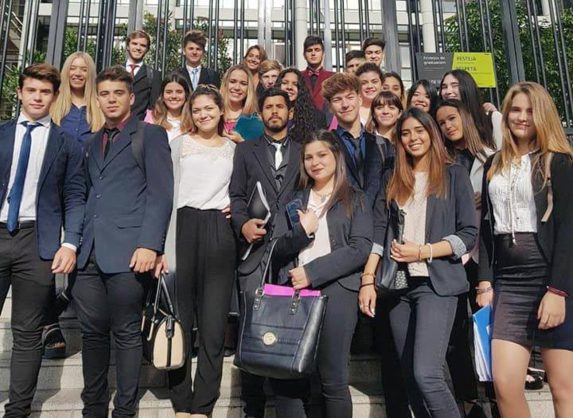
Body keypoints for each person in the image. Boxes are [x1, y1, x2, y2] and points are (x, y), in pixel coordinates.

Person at [360, 107, 478, 418]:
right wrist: (368, 279)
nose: (413, 138)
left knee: (427, 374)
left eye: (419, 130)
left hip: (437, 284)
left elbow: (468, 235)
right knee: (410, 377)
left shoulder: (454, 174)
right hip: (397, 286)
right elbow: (379, 231)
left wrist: (424, 251)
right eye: (405, 133)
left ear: (431, 133)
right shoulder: (392, 176)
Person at [73, 65, 173, 418]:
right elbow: (87, 195)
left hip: (130, 253)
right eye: (105, 94)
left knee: (128, 332)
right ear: (97, 99)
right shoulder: (90, 141)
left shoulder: (150, 135)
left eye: (118, 93)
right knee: (92, 335)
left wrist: (150, 244)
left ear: (132, 98)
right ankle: (93, 408)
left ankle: (125, 410)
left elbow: (161, 194)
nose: (111, 99)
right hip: (88, 254)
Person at [476, 82, 573, 418]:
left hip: (551, 278)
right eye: (515, 110)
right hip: (508, 281)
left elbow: (568, 228)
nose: (521, 117)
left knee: (563, 388)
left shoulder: (559, 162)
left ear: (543, 115)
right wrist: (484, 281)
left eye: (530, 111)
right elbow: (487, 227)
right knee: (504, 385)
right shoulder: (494, 163)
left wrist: (558, 290)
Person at [0, 63, 85, 417]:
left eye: (45, 92)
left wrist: (70, 243)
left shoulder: (66, 143)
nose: (37, 97)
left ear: (55, 96)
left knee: (27, 332)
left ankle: (18, 410)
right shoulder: (2, 134)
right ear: (20, 92)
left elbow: (75, 196)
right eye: (31, 90)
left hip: (38, 242)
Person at [272, 130, 373, 418]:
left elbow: (360, 248)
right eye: (308, 157)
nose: (315, 162)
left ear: (336, 156)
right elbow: (276, 247)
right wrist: (303, 232)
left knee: (332, 378)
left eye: (321, 155)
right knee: (291, 378)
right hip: (296, 294)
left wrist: (312, 272)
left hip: (338, 291)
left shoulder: (355, 198)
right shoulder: (294, 199)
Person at [229, 88, 308, 418]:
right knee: (252, 332)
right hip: (255, 253)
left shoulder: (305, 151)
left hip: (293, 254)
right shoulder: (245, 151)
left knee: (289, 331)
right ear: (260, 114)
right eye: (268, 107)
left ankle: (290, 404)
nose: (274, 111)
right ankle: (253, 408)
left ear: (290, 113)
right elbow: (236, 195)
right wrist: (242, 224)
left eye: (280, 106)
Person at [162, 85, 236, 418]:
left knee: (213, 321)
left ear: (221, 111)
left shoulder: (235, 149)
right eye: (197, 109)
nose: (203, 114)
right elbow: (165, 195)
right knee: (179, 319)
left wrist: (237, 206)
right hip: (182, 227)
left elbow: (244, 189)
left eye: (209, 108)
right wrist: (162, 247)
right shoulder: (179, 145)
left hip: (219, 230)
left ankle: (203, 405)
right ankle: (181, 402)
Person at [435, 99, 497, 418]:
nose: (448, 125)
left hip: (486, 253)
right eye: (441, 122)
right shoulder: (441, 161)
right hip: (454, 253)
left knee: (490, 329)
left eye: (452, 118)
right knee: (456, 333)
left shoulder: (490, 154)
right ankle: (468, 400)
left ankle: (496, 398)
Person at [322, 72, 382, 207]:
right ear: (330, 107)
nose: (345, 104)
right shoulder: (324, 145)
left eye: (350, 97)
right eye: (337, 100)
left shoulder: (382, 145)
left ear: (360, 99)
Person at [52, 51, 105, 145]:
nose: (77, 73)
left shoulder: (100, 107)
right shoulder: (53, 104)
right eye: (72, 68)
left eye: (84, 70)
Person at [440, 69, 502, 147]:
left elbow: (504, 151)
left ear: (467, 87)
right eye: (444, 87)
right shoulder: (440, 125)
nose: (448, 91)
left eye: (454, 85)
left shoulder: (492, 119)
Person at [275, 67, 327, 143]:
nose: (289, 87)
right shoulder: (268, 113)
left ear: (300, 89)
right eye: (285, 83)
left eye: (295, 84)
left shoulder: (316, 117)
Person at [123, 30, 162, 120]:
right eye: (134, 44)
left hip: (139, 124)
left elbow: (154, 107)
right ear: (128, 46)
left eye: (143, 45)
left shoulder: (153, 75)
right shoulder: (115, 72)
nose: (138, 48)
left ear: (147, 49)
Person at [144, 72, 193, 142]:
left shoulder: (193, 121)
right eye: (169, 92)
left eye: (179, 92)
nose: (174, 96)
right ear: (162, 96)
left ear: (186, 95)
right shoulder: (151, 118)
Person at [220, 63, 263, 142]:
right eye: (233, 82)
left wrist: (241, 142)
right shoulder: (212, 115)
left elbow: (261, 149)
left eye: (243, 84)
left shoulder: (256, 121)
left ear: (249, 88)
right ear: (225, 84)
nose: (237, 87)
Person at [365, 90, 402, 171]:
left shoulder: (403, 140)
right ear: (373, 113)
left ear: (399, 113)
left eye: (391, 108)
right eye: (380, 108)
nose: (385, 112)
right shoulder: (364, 140)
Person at [301, 35, 335, 116]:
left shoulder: (333, 77)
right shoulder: (297, 76)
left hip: (327, 120)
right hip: (302, 119)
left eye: (317, 50)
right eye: (309, 50)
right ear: (304, 55)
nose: (313, 53)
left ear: (323, 54)